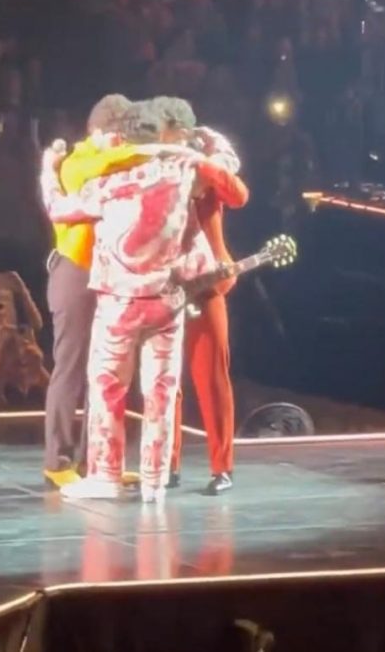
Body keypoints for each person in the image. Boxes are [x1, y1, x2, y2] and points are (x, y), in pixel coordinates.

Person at [42, 97, 246, 502]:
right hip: (166, 300)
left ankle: (107, 475)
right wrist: (192, 147)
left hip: (127, 302)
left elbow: (58, 208)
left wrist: (47, 168)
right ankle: (155, 478)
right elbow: (230, 172)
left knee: (110, 389)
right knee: (160, 391)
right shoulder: (187, 169)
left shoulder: (117, 180)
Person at [43, 94, 138, 489]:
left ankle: (97, 460)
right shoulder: (79, 161)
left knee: (106, 370)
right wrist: (154, 148)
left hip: (108, 272)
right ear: (96, 131)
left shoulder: (115, 158)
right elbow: (115, 161)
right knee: (72, 367)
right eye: (117, 134)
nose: (122, 143)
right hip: (75, 273)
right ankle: (58, 460)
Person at [170, 124, 249, 496]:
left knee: (211, 377)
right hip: (165, 289)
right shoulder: (154, 174)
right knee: (164, 383)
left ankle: (222, 466)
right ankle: (166, 464)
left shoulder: (207, 168)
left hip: (207, 287)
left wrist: (203, 164)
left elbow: (239, 196)